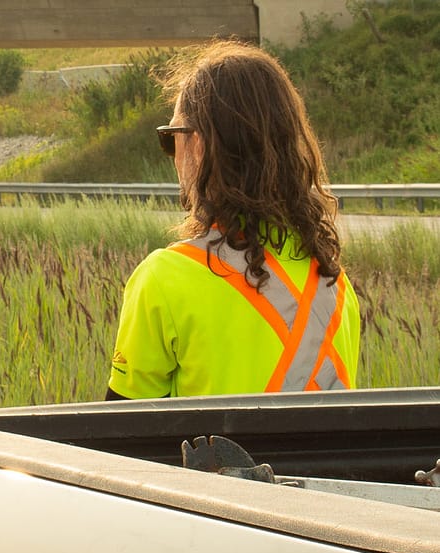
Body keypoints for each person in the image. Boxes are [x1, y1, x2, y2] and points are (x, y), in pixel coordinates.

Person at [107, 39, 360, 400]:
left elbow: (121, 437)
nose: (172, 157)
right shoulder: (336, 284)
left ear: (199, 145)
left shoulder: (163, 280)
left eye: (171, 139)